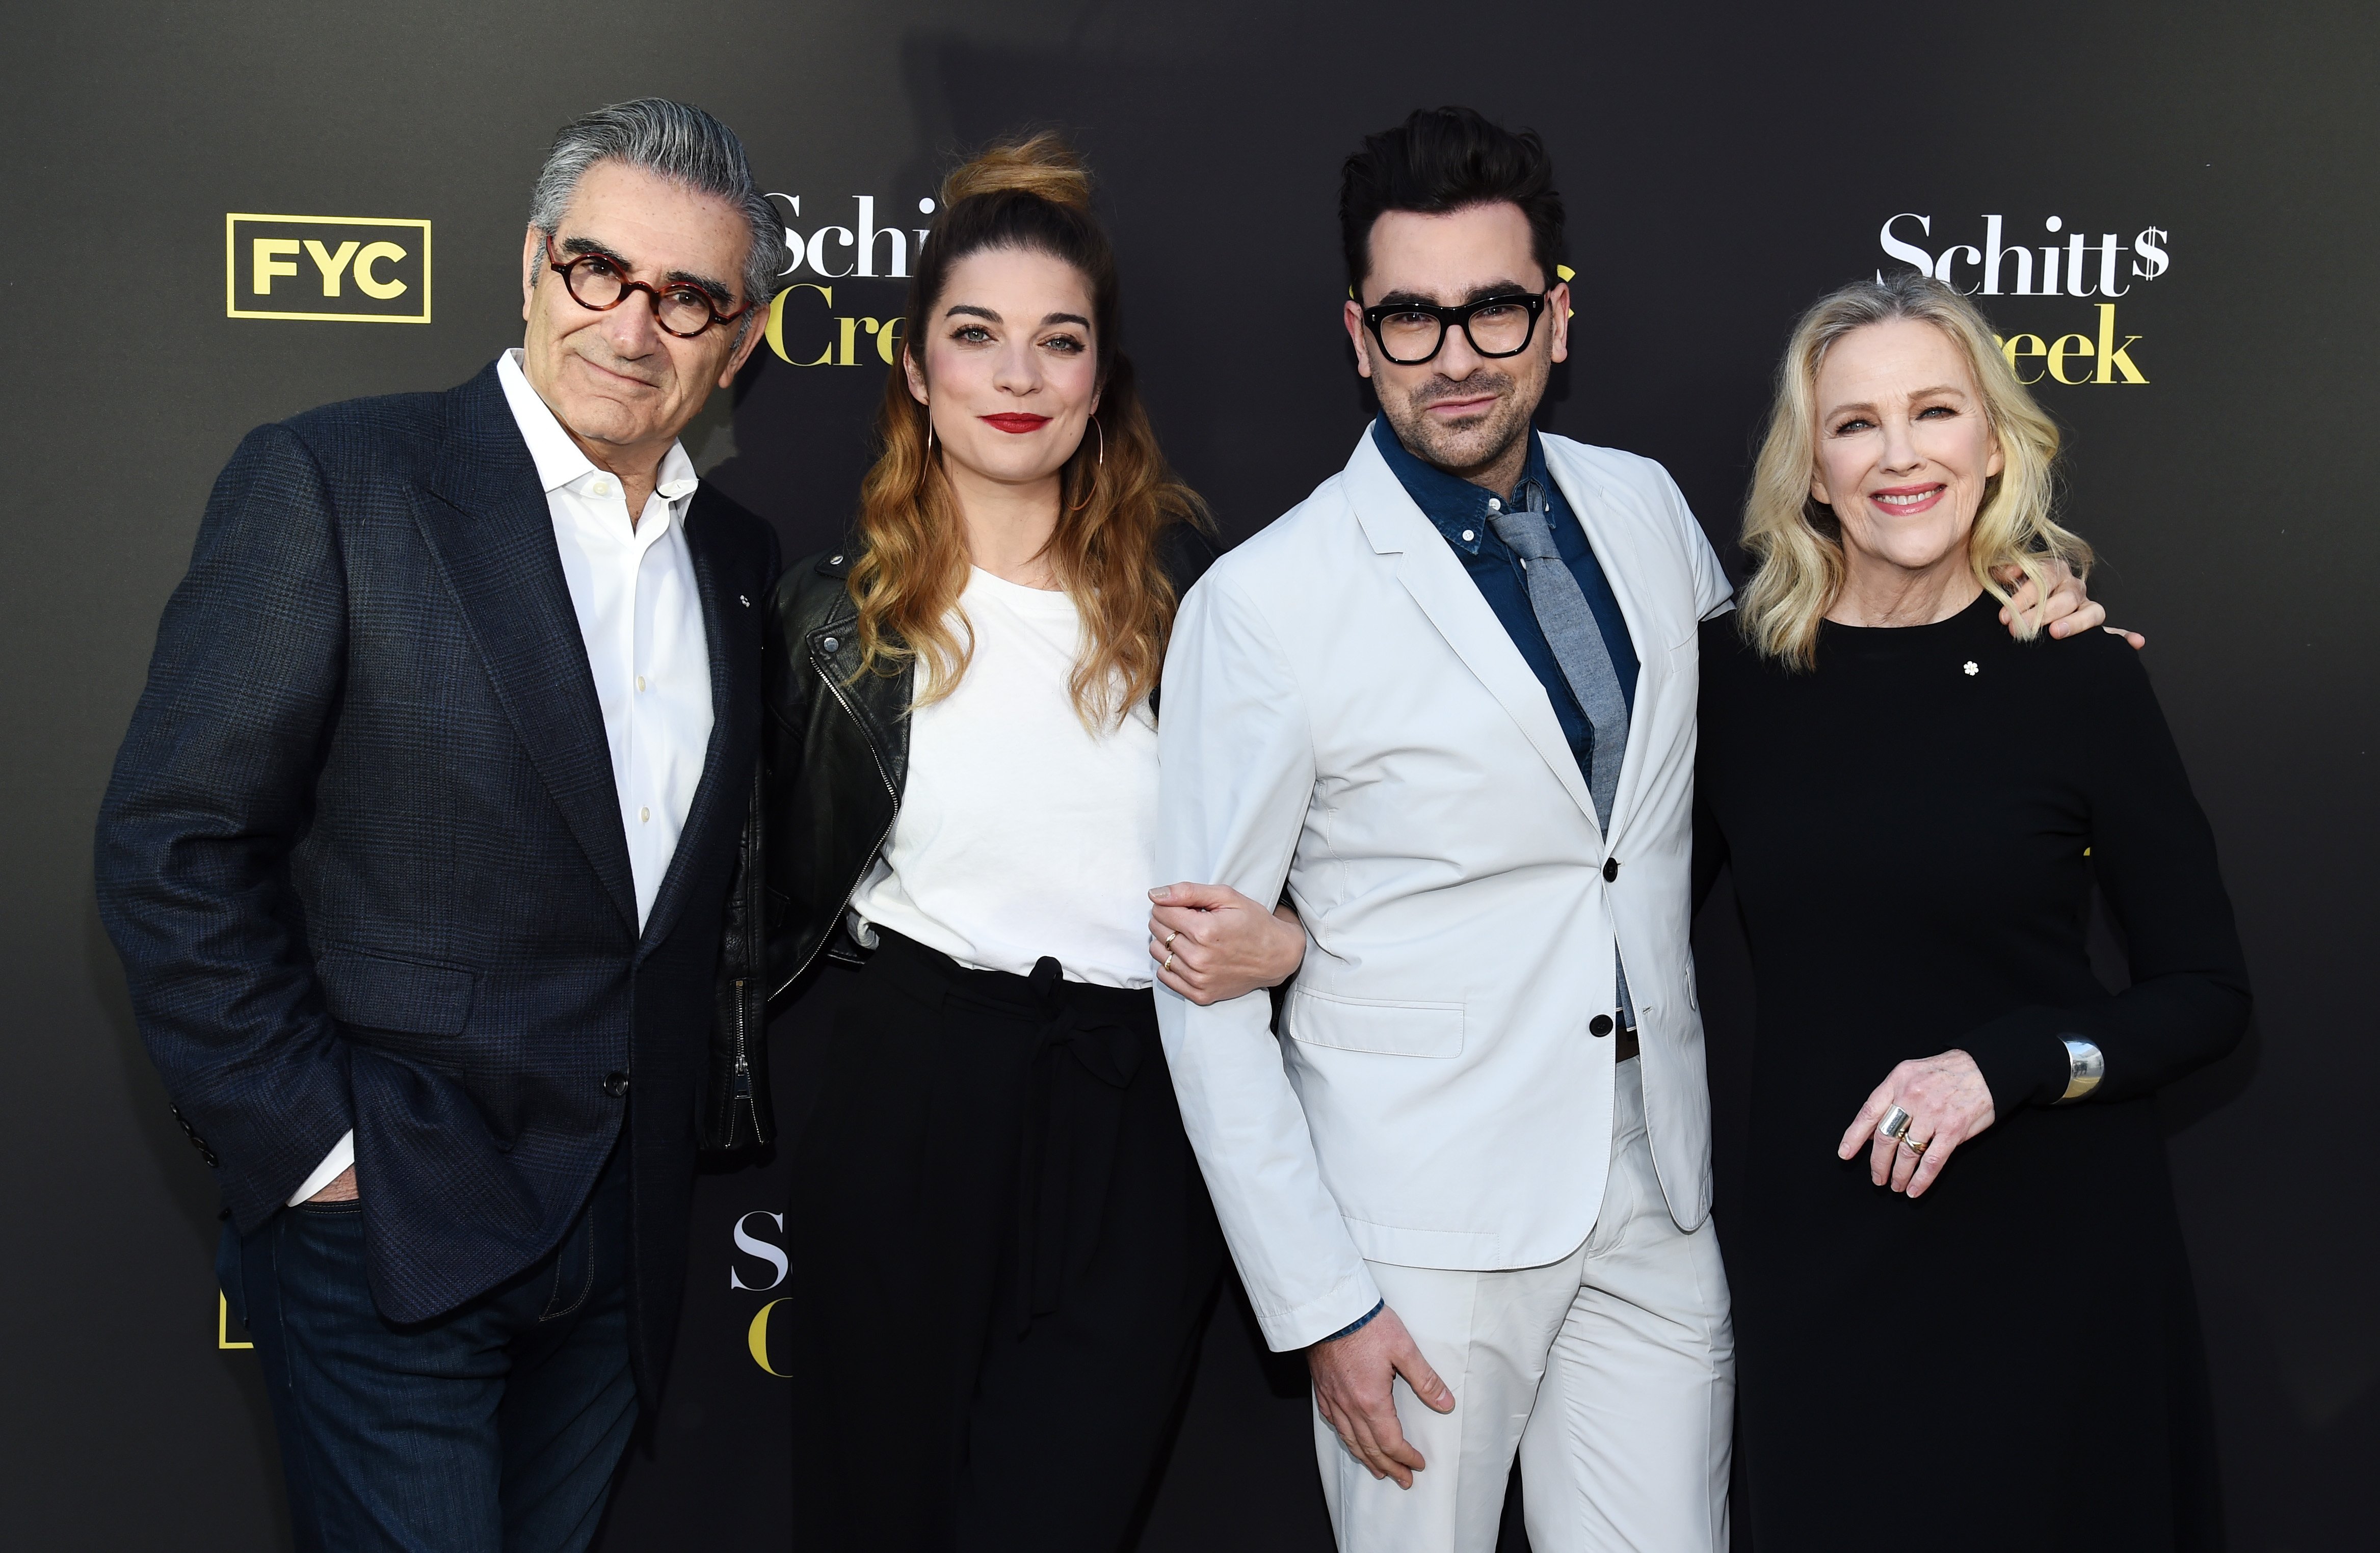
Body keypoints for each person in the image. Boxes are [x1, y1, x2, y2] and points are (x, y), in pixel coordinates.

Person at [1151, 108, 2114, 1553]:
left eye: (1493, 307)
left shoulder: (1643, 511)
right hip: (1415, 1233)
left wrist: (2020, 608)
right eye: (1411, 317)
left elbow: (1804, 725)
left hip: (1656, 1194)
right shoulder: (1264, 602)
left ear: (1555, 318)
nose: (1456, 353)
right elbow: (1198, 992)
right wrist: (1317, 1302)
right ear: (1358, 336)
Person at [93, 99, 784, 1553]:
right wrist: (317, 1152)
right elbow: (173, 843)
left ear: (737, 337)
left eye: (687, 298)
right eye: (600, 269)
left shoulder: (739, 564)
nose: (633, 325)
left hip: (621, 1254)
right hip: (391, 1226)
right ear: (534, 265)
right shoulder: (340, 482)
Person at [763, 135, 1305, 1553]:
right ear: (914, 370)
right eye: (976, 337)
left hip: (1144, 1115)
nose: (1016, 377)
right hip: (908, 1095)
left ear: (1099, 382)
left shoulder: (1205, 601)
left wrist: (1294, 944)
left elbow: (1343, 858)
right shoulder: (833, 618)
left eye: (1056, 343)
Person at [1696, 271, 2250, 1549]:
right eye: (1855, 424)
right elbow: (1609, 921)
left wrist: (2004, 1067)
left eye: (1934, 412)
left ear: (1992, 445)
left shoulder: (2077, 674)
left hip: (2055, 1266)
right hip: (1824, 1264)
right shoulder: (1734, 680)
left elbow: (2208, 997)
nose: (1900, 456)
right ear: (1811, 470)